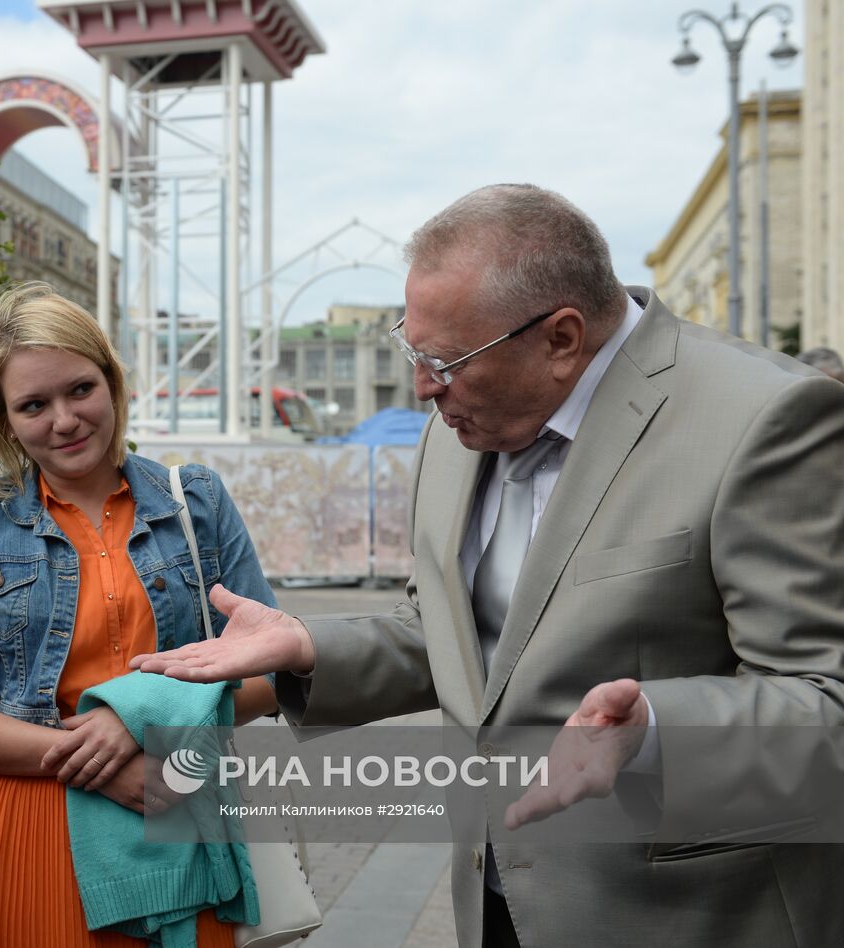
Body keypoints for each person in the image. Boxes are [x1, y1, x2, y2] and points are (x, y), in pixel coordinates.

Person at [133, 184, 844, 947]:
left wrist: (662, 732)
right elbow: (456, 637)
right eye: (413, 349)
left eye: (444, 361)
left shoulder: (767, 418)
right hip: (497, 899)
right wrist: (309, 646)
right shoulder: (458, 427)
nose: (423, 388)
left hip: (686, 914)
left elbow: (825, 701)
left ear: (562, 338)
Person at [0, 283, 278, 946]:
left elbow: (275, 666)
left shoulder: (194, 500)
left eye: (79, 389)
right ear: (3, 419)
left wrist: (139, 719)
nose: (63, 419)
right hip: (32, 822)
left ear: (112, 382)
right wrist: (89, 756)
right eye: (34, 404)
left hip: (174, 798)